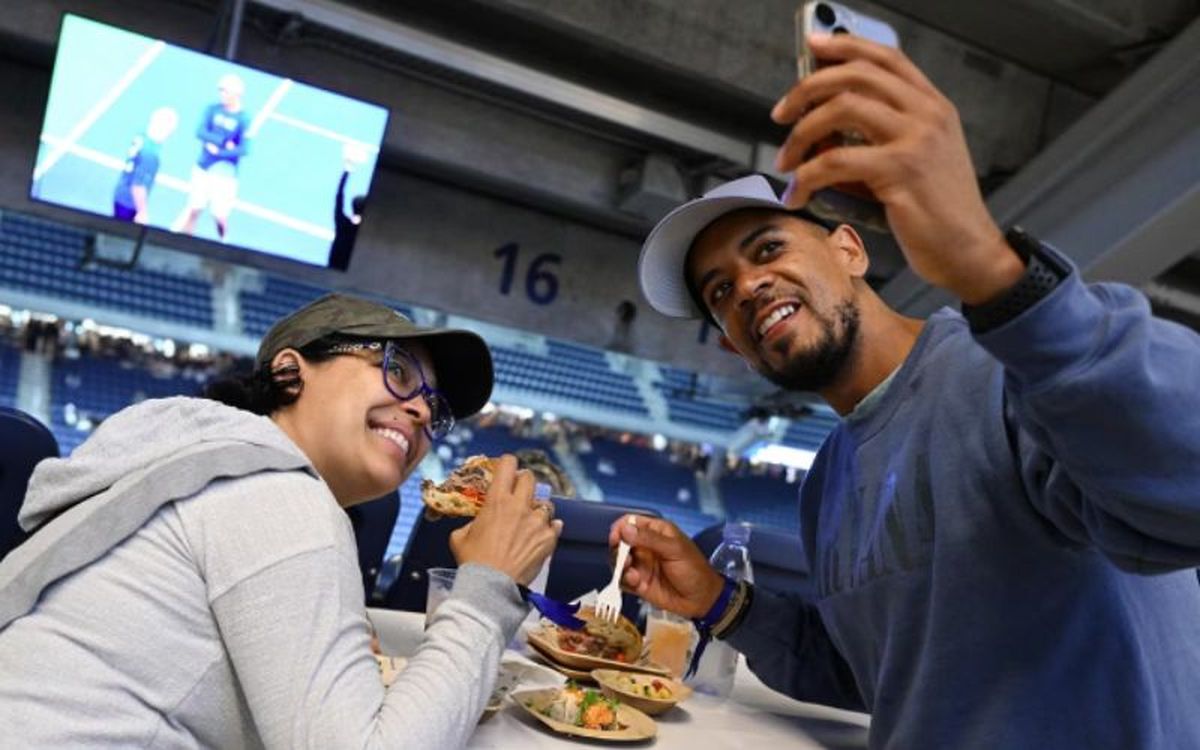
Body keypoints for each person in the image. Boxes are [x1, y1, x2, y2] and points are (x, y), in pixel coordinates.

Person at [620, 32, 1200, 749]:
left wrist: (996, 274)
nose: (746, 287)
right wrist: (721, 603)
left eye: (768, 248)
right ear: (735, 346)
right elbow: (884, 673)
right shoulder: (827, 482)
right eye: (719, 293)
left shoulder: (1007, 374)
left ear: (849, 248)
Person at [0, 293, 562, 747]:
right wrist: (488, 588)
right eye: (396, 369)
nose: (419, 409)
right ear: (291, 372)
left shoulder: (224, 466)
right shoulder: (276, 492)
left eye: (434, 409)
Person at [176, 73, 251, 240]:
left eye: (226, 91)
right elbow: (200, 131)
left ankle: (223, 240)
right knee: (194, 208)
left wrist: (219, 151)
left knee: (220, 216)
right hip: (203, 168)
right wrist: (223, 142)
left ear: (237, 94)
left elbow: (244, 149)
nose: (222, 94)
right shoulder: (212, 109)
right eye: (221, 90)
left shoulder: (244, 119)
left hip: (225, 175)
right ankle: (185, 239)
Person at [112, 106, 178, 224]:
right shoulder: (151, 155)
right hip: (128, 204)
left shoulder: (141, 137)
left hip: (120, 192)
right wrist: (142, 212)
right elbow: (138, 186)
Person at [329, 166, 367, 270]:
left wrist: (346, 173)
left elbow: (339, 196)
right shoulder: (364, 229)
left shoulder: (341, 221)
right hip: (346, 266)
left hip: (334, 263)